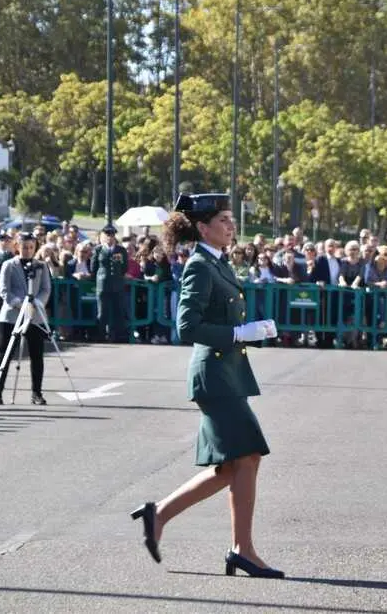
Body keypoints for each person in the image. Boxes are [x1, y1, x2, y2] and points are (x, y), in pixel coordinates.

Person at [130, 193, 284, 578]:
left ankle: (160, 515)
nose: (232, 226)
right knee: (247, 455)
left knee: (235, 464)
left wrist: (251, 331)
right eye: (224, 221)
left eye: (232, 220)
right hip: (213, 375)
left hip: (227, 372)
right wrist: (237, 332)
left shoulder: (218, 262)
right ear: (203, 228)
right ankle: (242, 549)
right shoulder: (200, 265)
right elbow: (186, 326)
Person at [0, 232, 52, 406]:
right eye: (24, 247)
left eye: (31, 247)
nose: (27, 250)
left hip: (34, 315)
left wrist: (36, 303)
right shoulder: (9, 265)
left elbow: (46, 289)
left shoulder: (41, 265)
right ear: (17, 247)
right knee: (5, 354)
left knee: (36, 355)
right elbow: (3, 290)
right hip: (12, 315)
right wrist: (19, 304)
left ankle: (36, 393)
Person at [92, 224, 129, 342]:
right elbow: (94, 267)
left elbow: (124, 267)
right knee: (102, 312)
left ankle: (119, 336)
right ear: (103, 235)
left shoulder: (121, 250)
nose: (110, 237)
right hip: (103, 284)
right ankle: (101, 336)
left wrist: (118, 277)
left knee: (118, 311)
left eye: (112, 234)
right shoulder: (98, 249)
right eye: (107, 234)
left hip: (117, 284)